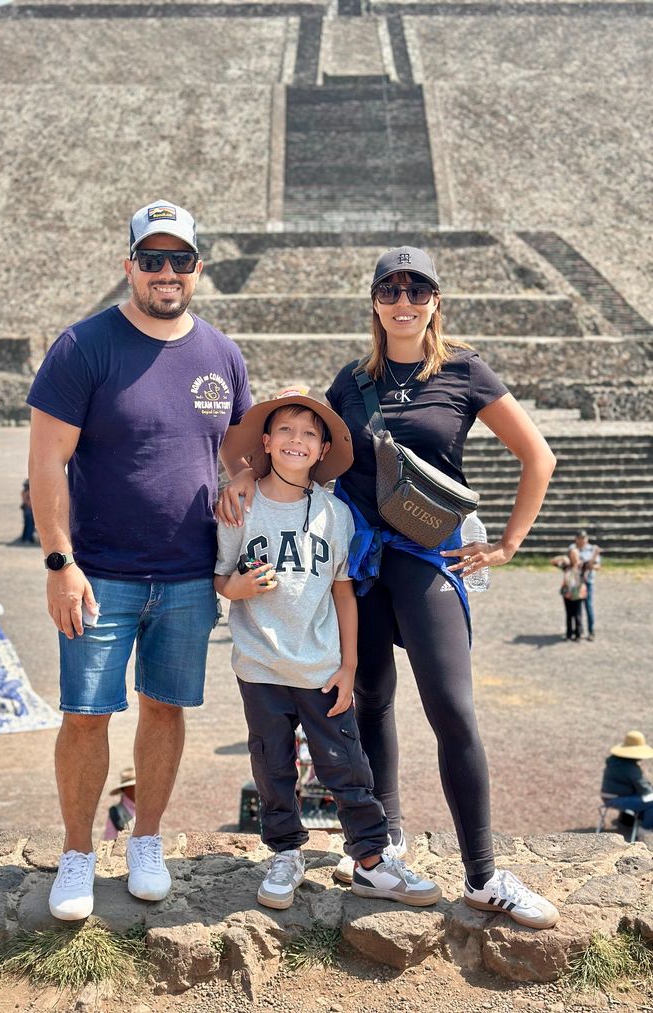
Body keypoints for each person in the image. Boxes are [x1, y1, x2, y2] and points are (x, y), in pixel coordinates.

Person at [219, 246, 560, 929]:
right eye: (390, 289)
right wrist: (247, 476)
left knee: (452, 709)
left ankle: (484, 873)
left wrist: (508, 544)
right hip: (363, 566)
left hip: (429, 562)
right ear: (374, 301)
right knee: (370, 699)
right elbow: (304, 442)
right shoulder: (352, 379)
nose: (404, 301)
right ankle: (384, 848)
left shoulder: (464, 369)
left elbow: (537, 454)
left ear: (436, 299)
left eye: (418, 288)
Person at [27, 198, 252, 921]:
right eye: (150, 259)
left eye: (178, 260)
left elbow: (242, 449)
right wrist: (59, 562)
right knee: (86, 713)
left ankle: (145, 840)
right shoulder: (83, 345)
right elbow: (47, 462)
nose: (165, 272)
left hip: (187, 572)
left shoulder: (221, 353)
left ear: (197, 269)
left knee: (166, 707)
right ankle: (76, 851)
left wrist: (241, 483)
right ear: (128, 265)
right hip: (100, 571)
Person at [217, 389, 441, 910]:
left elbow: (343, 589)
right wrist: (238, 591)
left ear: (322, 452)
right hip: (260, 664)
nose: (297, 441)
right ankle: (285, 853)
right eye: (287, 431)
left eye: (310, 434)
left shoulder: (335, 515)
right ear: (266, 442)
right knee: (272, 763)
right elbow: (222, 577)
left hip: (320, 664)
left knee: (344, 762)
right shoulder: (239, 506)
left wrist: (350, 664)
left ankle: (371, 858)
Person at [600, 730, 653, 831]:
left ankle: (630, 820)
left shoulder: (615, 760)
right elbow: (645, 789)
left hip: (608, 795)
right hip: (616, 799)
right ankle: (645, 829)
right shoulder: (630, 767)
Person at [568, 529, 601, 641]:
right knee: (576, 609)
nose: (582, 541)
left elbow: (597, 566)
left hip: (588, 582)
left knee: (588, 606)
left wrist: (591, 565)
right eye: (580, 538)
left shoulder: (592, 549)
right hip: (576, 582)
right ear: (576, 539)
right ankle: (578, 630)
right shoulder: (573, 548)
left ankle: (591, 631)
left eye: (584, 538)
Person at [551, 548, 586, 641]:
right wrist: (562, 557)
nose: (574, 557)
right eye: (572, 555)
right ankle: (569, 634)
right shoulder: (567, 566)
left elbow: (592, 565)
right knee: (569, 615)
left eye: (575, 554)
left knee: (578, 615)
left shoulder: (582, 565)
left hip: (578, 594)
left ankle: (578, 634)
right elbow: (552, 562)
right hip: (567, 593)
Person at [102, 767, 137, 842]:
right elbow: (109, 841)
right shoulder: (116, 813)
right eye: (135, 786)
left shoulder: (146, 810)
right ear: (126, 788)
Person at [20, 479, 35, 544]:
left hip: (26, 509)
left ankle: (25, 537)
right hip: (29, 509)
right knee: (30, 525)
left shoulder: (23, 491)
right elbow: (28, 502)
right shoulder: (28, 492)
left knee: (27, 524)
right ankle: (28, 539)